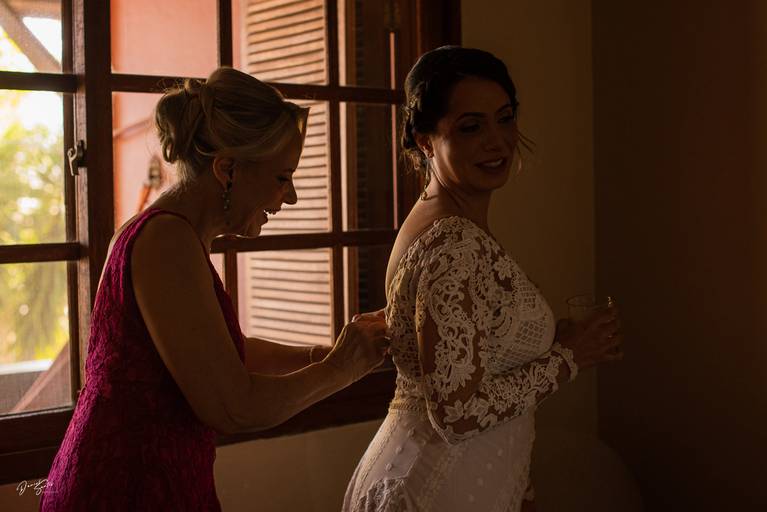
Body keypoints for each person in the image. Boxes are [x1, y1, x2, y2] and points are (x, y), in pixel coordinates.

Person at [40, 67, 390, 511]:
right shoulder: (166, 241)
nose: (292, 197)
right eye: (282, 177)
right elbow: (234, 407)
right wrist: (342, 369)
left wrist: (320, 355)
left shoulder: (174, 235)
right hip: (127, 487)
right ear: (227, 169)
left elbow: (220, 352)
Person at [342, 46, 623, 512]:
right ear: (426, 141)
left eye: (505, 119)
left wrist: (520, 488)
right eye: (471, 127)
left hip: (447, 476)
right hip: (435, 488)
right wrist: (570, 356)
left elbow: (475, 366)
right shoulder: (453, 244)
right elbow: (457, 413)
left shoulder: (444, 223)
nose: (497, 141)